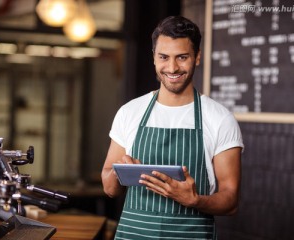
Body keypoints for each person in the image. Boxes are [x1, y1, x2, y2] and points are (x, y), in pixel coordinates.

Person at [101, 15, 244, 239]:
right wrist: (120, 173)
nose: (172, 67)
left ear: (197, 57)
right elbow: (109, 189)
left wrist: (195, 200)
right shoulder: (129, 112)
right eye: (164, 57)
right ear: (154, 58)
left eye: (182, 57)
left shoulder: (220, 119)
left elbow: (230, 200)